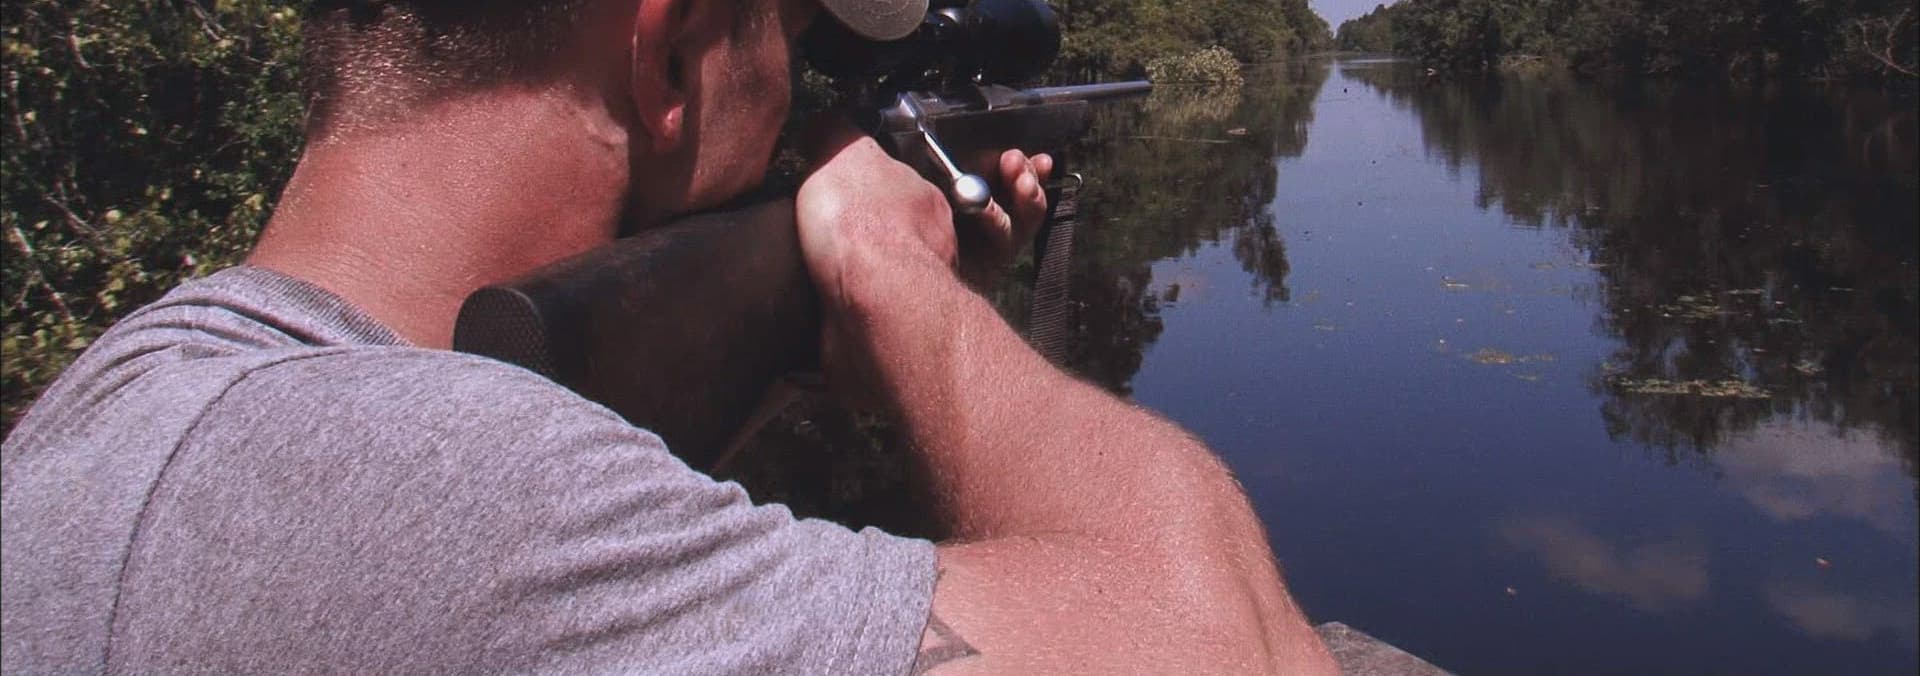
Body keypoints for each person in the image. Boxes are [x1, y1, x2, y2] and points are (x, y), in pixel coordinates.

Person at [0, 0, 1338, 673]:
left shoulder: (120, 401)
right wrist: (897, 283)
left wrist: (825, 351)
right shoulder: (439, 500)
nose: (808, 100)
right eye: (798, 46)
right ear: (675, 54)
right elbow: (1231, 646)